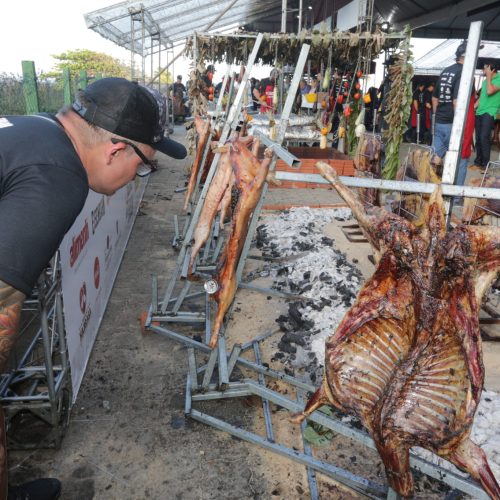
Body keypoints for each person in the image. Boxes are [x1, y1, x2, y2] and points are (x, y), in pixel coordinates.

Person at [0, 77, 186, 500]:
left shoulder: (38, 130)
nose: (138, 176)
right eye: (143, 165)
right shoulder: (57, 176)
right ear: (116, 148)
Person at [432, 41, 470, 185]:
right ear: (465, 56)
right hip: (452, 123)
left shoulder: (446, 71)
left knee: (435, 158)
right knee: (461, 159)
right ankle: (457, 196)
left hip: (440, 122)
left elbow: (435, 98)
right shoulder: (463, 73)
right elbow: (456, 101)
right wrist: (458, 126)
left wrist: (437, 118)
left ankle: (428, 189)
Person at [473, 61, 500, 171]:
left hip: (489, 112)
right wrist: (474, 107)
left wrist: (489, 76)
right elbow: (482, 96)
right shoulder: (485, 81)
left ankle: (486, 164)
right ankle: (478, 162)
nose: (483, 71)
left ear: (492, 69)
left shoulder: (498, 79)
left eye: (485, 68)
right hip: (479, 111)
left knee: (484, 137)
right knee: (478, 138)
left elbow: (489, 91)